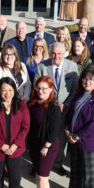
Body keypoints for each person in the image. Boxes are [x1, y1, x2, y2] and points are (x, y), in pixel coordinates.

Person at [35, 42, 79, 176]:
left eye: (59, 53)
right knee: (42, 135)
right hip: (46, 108)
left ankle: (58, 163)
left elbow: (75, 89)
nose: (56, 56)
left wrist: (66, 103)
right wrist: (51, 104)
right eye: (53, 53)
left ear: (64, 53)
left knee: (60, 138)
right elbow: (37, 88)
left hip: (64, 110)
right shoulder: (42, 66)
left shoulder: (72, 66)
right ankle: (38, 163)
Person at [26, 76, 62, 188]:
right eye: (39, 88)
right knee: (38, 172)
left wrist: (46, 146)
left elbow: (54, 131)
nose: (41, 91)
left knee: (43, 177)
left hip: (47, 147)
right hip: (34, 145)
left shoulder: (53, 107)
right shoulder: (33, 104)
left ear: (50, 90)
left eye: (44, 89)